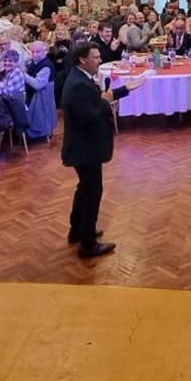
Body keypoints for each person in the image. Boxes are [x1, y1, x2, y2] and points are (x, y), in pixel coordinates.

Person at [61, 41, 145, 259]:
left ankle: (77, 231)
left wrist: (126, 89)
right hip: (85, 148)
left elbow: (97, 100)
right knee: (92, 193)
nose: (99, 61)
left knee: (84, 189)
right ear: (83, 59)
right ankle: (88, 244)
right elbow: (89, 115)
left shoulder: (80, 78)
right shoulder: (79, 84)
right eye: (96, 57)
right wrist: (107, 103)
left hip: (83, 147)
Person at [24, 41, 58, 140]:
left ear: (45, 52)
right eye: (33, 52)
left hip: (41, 95)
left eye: (38, 52)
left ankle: (36, 133)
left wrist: (24, 75)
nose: (35, 54)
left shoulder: (46, 66)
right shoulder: (34, 62)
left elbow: (37, 85)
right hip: (33, 93)